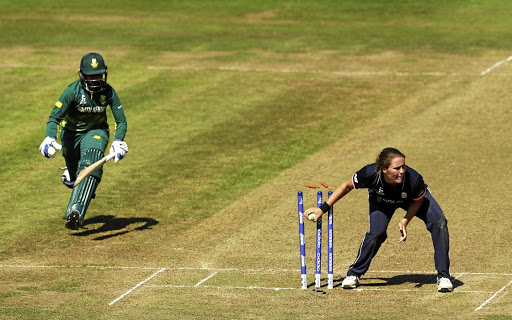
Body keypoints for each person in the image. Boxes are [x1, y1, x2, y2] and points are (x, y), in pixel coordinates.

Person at [304, 147, 453, 292]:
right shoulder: (369, 173)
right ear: (383, 168)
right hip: (382, 200)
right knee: (377, 233)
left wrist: (405, 220)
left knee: (439, 221)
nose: (402, 171)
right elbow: (346, 186)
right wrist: (323, 208)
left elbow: (417, 201)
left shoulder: (414, 179)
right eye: (397, 168)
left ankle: (444, 277)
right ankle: (354, 274)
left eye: (403, 166)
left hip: (410, 199)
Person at [39, 52, 128, 230]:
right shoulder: (72, 91)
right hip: (70, 135)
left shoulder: (108, 91)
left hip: (96, 131)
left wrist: (118, 140)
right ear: (82, 74)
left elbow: (121, 121)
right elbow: (54, 118)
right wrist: (49, 138)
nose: (95, 79)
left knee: (90, 161)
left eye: (98, 74)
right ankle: (73, 176)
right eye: (91, 75)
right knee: (75, 175)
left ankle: (76, 212)